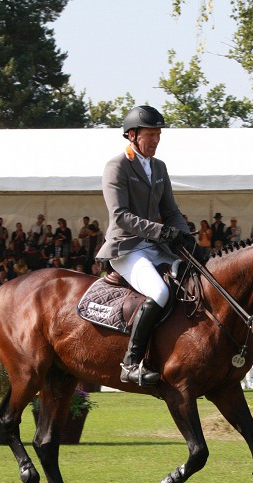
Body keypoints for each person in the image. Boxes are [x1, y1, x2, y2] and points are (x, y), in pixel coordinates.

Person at [99, 104, 193, 385]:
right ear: (132, 135)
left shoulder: (159, 167)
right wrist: (162, 233)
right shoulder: (117, 167)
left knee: (189, 283)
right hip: (126, 248)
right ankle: (131, 363)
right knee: (160, 291)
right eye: (150, 135)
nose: (155, 141)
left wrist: (186, 236)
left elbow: (172, 210)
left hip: (154, 248)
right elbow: (121, 216)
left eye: (158, 135)